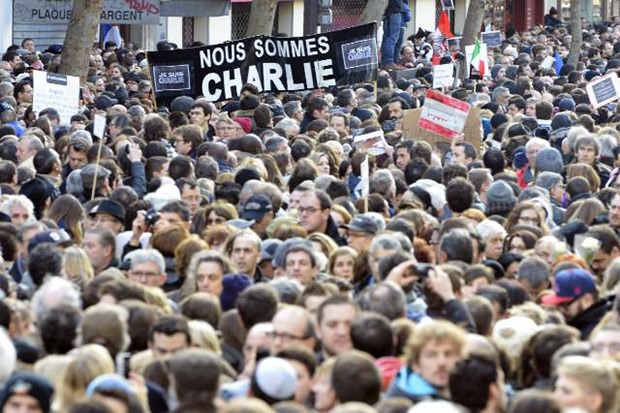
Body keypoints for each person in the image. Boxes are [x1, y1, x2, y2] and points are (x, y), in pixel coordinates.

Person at [542, 269, 613, 339]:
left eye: (565, 304)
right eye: (557, 305)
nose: (560, 310)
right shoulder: (578, 325)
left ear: (587, 299)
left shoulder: (599, 332)